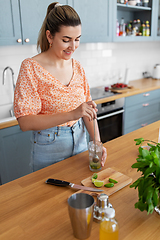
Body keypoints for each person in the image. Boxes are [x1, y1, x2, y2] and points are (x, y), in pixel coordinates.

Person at [14, 2, 107, 171]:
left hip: (80, 141)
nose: (73, 47)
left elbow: (87, 111)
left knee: (81, 192)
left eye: (77, 39)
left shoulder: (77, 67)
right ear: (50, 36)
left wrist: (96, 143)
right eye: (66, 40)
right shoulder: (31, 67)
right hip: (49, 146)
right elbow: (25, 122)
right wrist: (72, 114)